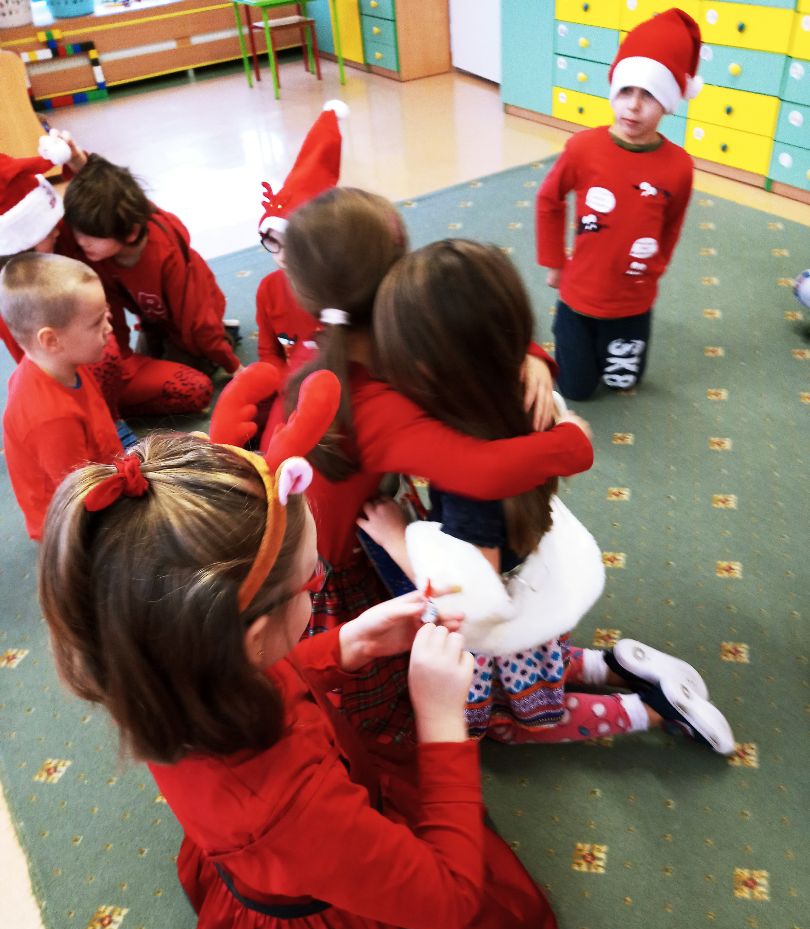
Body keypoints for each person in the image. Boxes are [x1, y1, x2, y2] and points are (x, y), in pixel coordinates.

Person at [38, 427, 559, 929]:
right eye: (312, 581)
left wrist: (345, 644)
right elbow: (450, 897)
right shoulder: (289, 805)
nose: (319, 587)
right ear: (253, 639)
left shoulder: (162, 673)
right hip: (320, 905)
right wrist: (440, 717)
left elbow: (268, 677)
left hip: (269, 859)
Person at [212, 186, 594, 744]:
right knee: (383, 699)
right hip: (330, 560)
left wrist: (530, 356)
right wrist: (573, 442)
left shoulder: (347, 347)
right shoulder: (374, 400)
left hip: (343, 529)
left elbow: (472, 323)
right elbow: (483, 469)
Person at [359, 239, 734, 755]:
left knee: (512, 720)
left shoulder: (470, 475)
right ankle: (615, 665)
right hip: (535, 570)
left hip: (502, 617)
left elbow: (471, 592)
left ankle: (656, 709)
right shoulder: (522, 391)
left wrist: (394, 537)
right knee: (542, 659)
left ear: (429, 369)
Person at [536, 7, 702, 401]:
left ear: (670, 101)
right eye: (626, 90)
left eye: (650, 94)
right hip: (579, 294)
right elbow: (549, 199)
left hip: (633, 299)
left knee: (623, 383)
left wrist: (656, 267)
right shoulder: (582, 148)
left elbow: (672, 224)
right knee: (576, 389)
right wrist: (554, 262)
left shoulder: (679, 166)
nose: (633, 106)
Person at [0, 136, 214, 419]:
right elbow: (42, 371)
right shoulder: (13, 301)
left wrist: (81, 164)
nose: (58, 230)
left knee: (195, 387)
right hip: (77, 380)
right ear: (21, 242)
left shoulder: (64, 236)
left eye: (56, 223)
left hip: (117, 358)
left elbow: (119, 209)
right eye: (47, 229)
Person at [62, 151, 241, 379]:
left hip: (191, 322)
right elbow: (111, 311)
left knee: (188, 373)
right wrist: (122, 357)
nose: (81, 241)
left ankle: (223, 336)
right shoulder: (99, 251)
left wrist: (231, 364)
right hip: (153, 320)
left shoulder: (167, 256)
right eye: (78, 232)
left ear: (130, 233)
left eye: (91, 235)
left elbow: (197, 318)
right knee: (141, 369)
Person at [0, 252, 123, 540]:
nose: (109, 327)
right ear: (51, 340)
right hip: (75, 525)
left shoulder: (62, 362)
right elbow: (83, 499)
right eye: (96, 322)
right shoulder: (51, 419)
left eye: (105, 314)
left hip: (100, 469)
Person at [256, 100, 346, 371]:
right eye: (273, 242)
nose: (283, 256)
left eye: (294, 245)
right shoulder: (269, 291)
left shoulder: (346, 287)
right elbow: (269, 354)